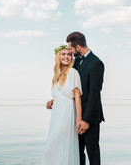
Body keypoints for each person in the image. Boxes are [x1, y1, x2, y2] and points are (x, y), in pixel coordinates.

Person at [47, 32, 105, 165]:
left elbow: (94, 94)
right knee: (77, 154)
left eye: (71, 49)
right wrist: (57, 100)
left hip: (90, 118)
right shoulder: (76, 62)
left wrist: (85, 120)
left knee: (93, 154)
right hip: (73, 116)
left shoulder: (96, 63)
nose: (70, 53)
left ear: (78, 47)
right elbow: (71, 88)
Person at [41, 45, 82, 165]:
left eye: (69, 54)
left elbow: (77, 96)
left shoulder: (73, 72)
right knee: (54, 143)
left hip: (67, 113)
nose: (67, 57)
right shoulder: (57, 74)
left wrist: (79, 119)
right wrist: (54, 100)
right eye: (63, 54)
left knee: (60, 142)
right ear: (58, 57)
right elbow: (62, 93)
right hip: (57, 113)